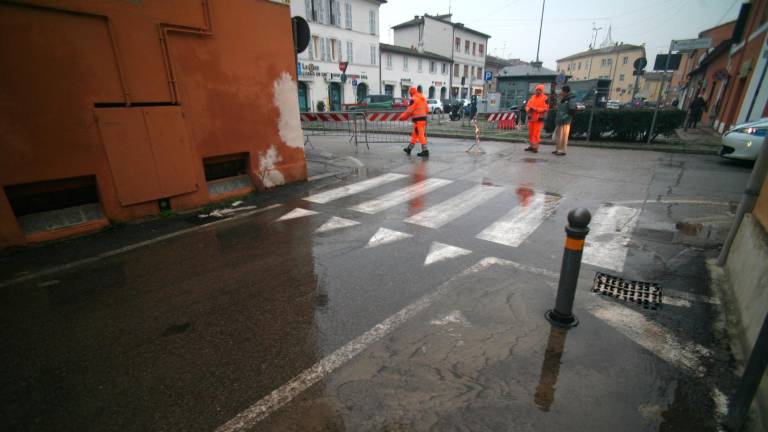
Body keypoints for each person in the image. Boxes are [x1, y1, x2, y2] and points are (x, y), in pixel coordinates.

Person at [401, 87, 430, 157]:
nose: (410, 94)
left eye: (409, 93)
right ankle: (409, 149)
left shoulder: (414, 99)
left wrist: (402, 117)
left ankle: (425, 151)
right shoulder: (422, 98)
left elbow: (409, 111)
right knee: (415, 135)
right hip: (422, 119)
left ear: (411, 93)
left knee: (420, 135)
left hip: (418, 120)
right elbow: (427, 110)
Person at [553, 85, 577, 156]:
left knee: (563, 136)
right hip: (561, 120)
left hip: (565, 121)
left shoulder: (571, 99)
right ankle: (558, 149)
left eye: (561, 90)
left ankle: (562, 150)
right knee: (559, 136)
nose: (560, 92)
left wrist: (564, 117)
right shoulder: (564, 98)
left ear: (565, 91)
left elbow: (572, 110)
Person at [524, 84, 548, 153]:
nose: (538, 91)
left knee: (536, 133)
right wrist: (528, 109)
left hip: (538, 118)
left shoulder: (545, 98)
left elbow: (546, 108)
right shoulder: (532, 97)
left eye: (539, 90)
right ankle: (531, 146)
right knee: (531, 133)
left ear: (542, 91)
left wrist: (536, 109)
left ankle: (535, 147)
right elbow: (527, 106)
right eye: (537, 90)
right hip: (531, 117)